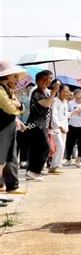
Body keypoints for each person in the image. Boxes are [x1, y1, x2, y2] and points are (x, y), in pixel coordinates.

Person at [25, 70, 60, 181]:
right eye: (45, 79)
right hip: (35, 124)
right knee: (45, 148)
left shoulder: (46, 91)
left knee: (37, 149)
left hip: (43, 124)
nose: (48, 81)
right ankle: (34, 171)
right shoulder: (37, 92)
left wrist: (54, 91)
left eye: (50, 79)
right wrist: (54, 91)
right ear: (38, 80)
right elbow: (47, 104)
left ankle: (32, 172)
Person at [0, 61, 27, 205]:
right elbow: (11, 109)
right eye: (14, 75)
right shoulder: (0, 90)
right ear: (6, 75)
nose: (17, 78)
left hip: (8, 126)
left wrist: (18, 106)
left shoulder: (8, 89)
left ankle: (10, 186)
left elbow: (20, 108)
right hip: (2, 127)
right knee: (0, 161)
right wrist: (17, 106)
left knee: (9, 157)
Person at [49, 83, 70, 174]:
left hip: (64, 128)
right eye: (64, 91)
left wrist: (75, 112)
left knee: (62, 146)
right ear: (59, 91)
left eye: (67, 92)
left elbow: (65, 115)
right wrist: (60, 126)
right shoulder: (54, 101)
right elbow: (54, 116)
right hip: (56, 128)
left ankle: (56, 165)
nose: (66, 93)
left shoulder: (65, 102)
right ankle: (54, 166)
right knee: (60, 145)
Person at [65, 89, 81, 167]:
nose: (79, 96)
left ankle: (78, 160)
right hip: (72, 126)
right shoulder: (70, 103)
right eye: (77, 95)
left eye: (80, 94)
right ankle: (68, 159)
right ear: (74, 96)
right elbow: (66, 113)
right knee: (70, 143)